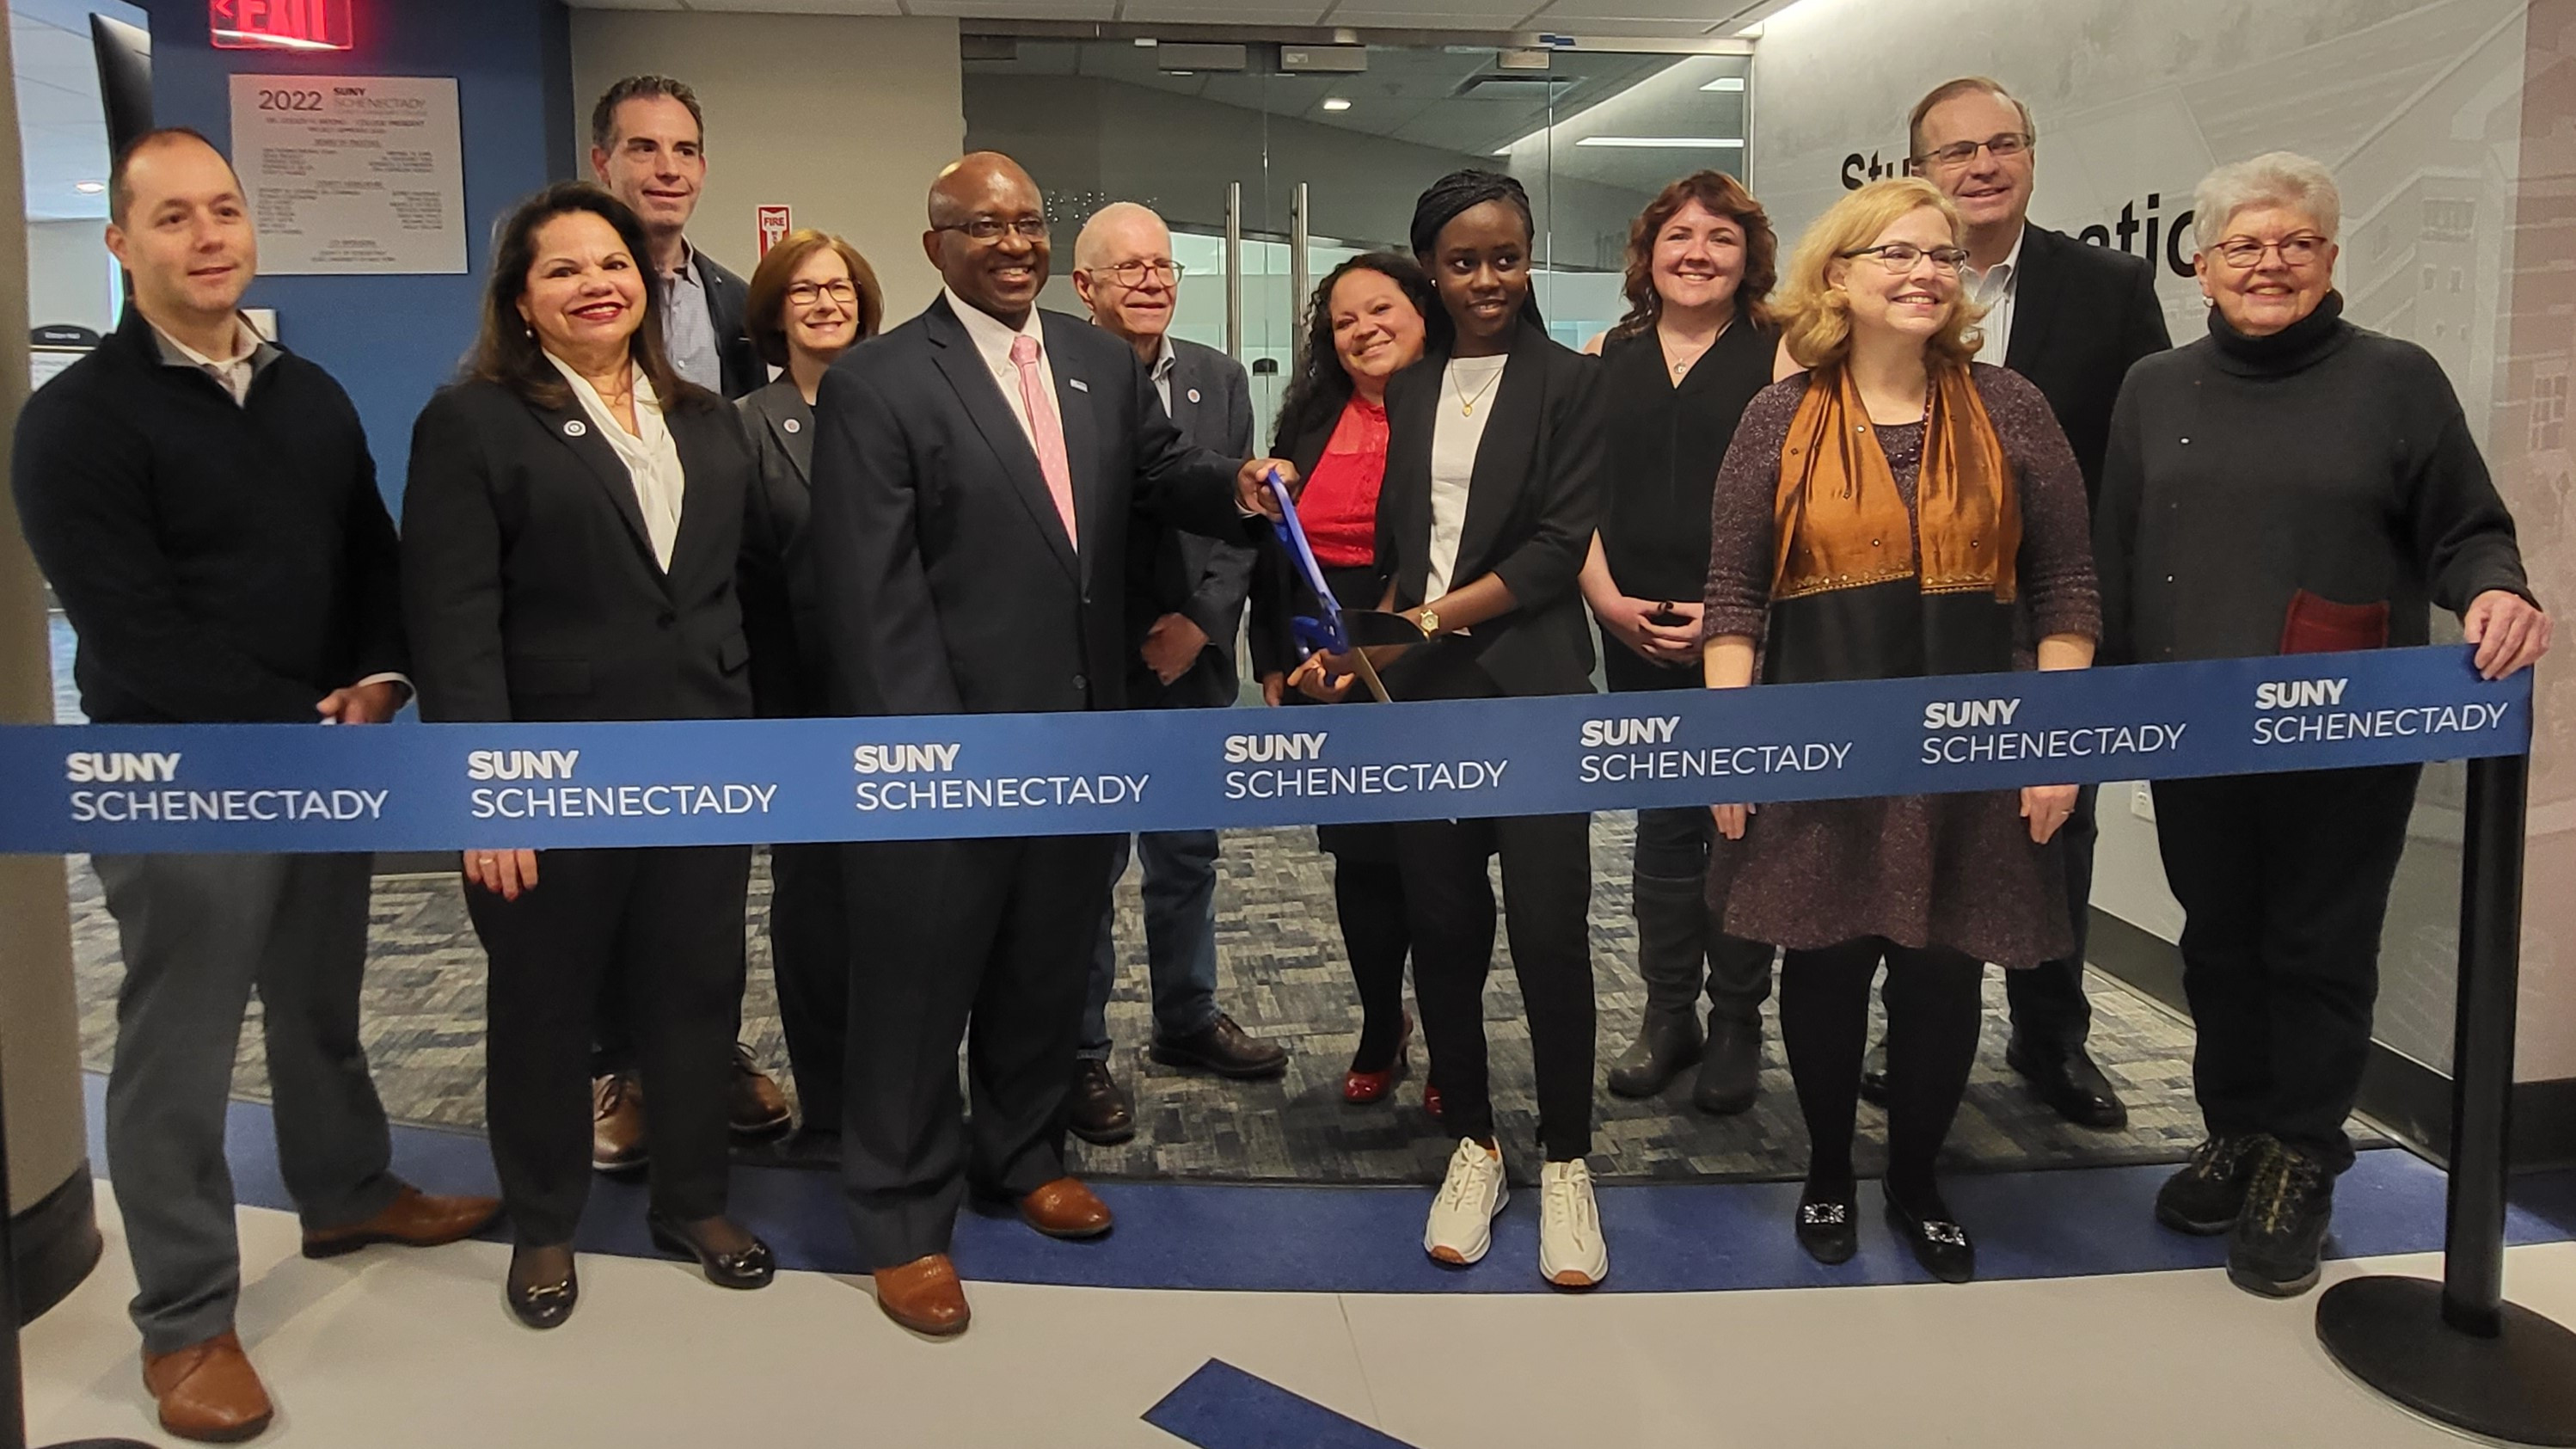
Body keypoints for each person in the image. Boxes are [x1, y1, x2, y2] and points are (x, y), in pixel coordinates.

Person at [9, 127, 499, 1443]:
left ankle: (344, 1187)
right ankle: (184, 1319)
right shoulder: (75, 423)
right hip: (183, 776)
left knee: (320, 995)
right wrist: (297, 720)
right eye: (172, 218)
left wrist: (382, 672)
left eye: (223, 210)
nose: (207, 236)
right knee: (180, 1043)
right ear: (121, 245)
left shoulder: (306, 390)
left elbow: (368, 548)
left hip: (317, 758)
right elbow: (129, 626)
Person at [802, 151, 1291, 1337]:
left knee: (1039, 969)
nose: (1013, 244)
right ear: (936, 247)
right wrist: (928, 762)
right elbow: (870, 595)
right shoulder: (878, 383)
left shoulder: (1093, 363)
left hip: (1082, 739)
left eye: (1028, 224)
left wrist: (1241, 485)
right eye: (984, 227)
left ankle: (1017, 1157)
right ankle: (902, 1213)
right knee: (920, 990)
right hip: (950, 751)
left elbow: (1160, 475)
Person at [2097, 151, 2550, 1299]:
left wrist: (2497, 588)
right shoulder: (2155, 386)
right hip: (2191, 729)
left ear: (2332, 259)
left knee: (2318, 947)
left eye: (2295, 244)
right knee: (2221, 941)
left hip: (2346, 732)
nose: (2270, 264)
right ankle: (2238, 1132)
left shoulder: (2396, 381)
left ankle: (2303, 1155)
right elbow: (2115, 554)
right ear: (2201, 264)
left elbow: (2468, 531)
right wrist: (2086, 707)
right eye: (2245, 244)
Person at [1702, 177, 2101, 1285]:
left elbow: (2066, 585)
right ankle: (1828, 1165)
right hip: (1817, 749)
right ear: (1838, 277)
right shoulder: (1775, 417)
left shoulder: (2010, 403)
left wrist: (2055, 743)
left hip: (1973, 752)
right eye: (1894, 254)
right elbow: (1732, 597)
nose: (1923, 271)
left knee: (1941, 978)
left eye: (1938, 254)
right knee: (1822, 972)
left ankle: (1919, 1177)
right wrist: (1732, 746)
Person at [402, 181, 780, 1329]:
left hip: (702, 766)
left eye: (611, 261)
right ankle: (547, 1225)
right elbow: (452, 622)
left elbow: (735, 596)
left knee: (694, 988)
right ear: (521, 299)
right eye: (562, 268)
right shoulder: (472, 423)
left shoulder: (711, 419)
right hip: (548, 781)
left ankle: (693, 1202)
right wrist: (487, 793)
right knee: (545, 1004)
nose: (596, 282)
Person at [1860, 76, 2174, 1131]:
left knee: (2051, 827)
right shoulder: (1885, 284)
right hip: (1898, 620)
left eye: (2002, 145)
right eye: (1954, 152)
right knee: (1904, 825)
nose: (1980, 167)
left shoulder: (2107, 284)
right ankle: (1907, 1037)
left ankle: (2052, 1037)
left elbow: (2135, 461)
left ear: (2030, 157)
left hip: (2046, 612)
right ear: (1919, 170)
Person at [1350, 170, 1607, 1289]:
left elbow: (1556, 550)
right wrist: (1370, 646)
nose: (1489, 278)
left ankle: (1566, 1159)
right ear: (1431, 270)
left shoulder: (1572, 381)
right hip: (1428, 699)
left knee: (1550, 932)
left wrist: (1426, 616)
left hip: (1534, 686)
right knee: (1444, 927)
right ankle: (1477, 1142)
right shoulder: (1409, 389)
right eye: (1465, 261)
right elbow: (1411, 543)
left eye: (1507, 256)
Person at [585, 72, 788, 1165]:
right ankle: (619, 1065)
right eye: (643, 148)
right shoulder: (557, 286)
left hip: (716, 622)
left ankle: (704, 1051)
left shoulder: (725, 299)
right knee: (614, 871)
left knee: (708, 871)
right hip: (605, 635)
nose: (666, 168)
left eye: (684, 150)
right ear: (602, 161)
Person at [1063, 201, 1285, 1147]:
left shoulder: (1216, 376)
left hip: (1191, 661)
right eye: (1129, 269)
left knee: (1187, 853)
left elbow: (1243, 517)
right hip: (1090, 667)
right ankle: (1078, 1050)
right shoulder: (1059, 375)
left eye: (1162, 265)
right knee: (1086, 863)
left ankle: (1185, 1018)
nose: (1151, 281)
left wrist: (1199, 623)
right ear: (1084, 288)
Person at [1578, 171, 1785, 1116]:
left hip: (1746, 631)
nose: (1696, 253)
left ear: (1749, 259)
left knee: (1741, 821)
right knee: (1662, 822)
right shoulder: (1599, 356)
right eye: (1678, 236)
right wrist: (1608, 602)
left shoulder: (1787, 359)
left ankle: (1738, 1016)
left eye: (1720, 239)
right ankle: (1669, 1015)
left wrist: (1736, 612)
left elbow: (1800, 508)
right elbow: (1567, 503)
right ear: (1647, 252)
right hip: (1631, 627)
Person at [1250, 251, 1438, 1107]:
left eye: (1380, 309)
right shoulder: (1313, 416)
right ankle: (1378, 1023)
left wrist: (1382, 651)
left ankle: (1454, 1034)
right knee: (1360, 861)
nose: (1363, 330)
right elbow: (1277, 549)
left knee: (1438, 858)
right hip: (1324, 658)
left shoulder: (1458, 405)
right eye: (1342, 321)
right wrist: (1273, 658)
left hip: (1434, 650)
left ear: (1421, 308)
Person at [735, 229, 885, 1159]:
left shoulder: (910, 406)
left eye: (840, 287)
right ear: (774, 312)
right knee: (816, 911)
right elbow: (740, 578)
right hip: (799, 709)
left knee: (906, 913)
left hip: (907, 707)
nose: (826, 303)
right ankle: (829, 1107)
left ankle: (900, 1098)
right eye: (804, 291)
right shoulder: (743, 423)